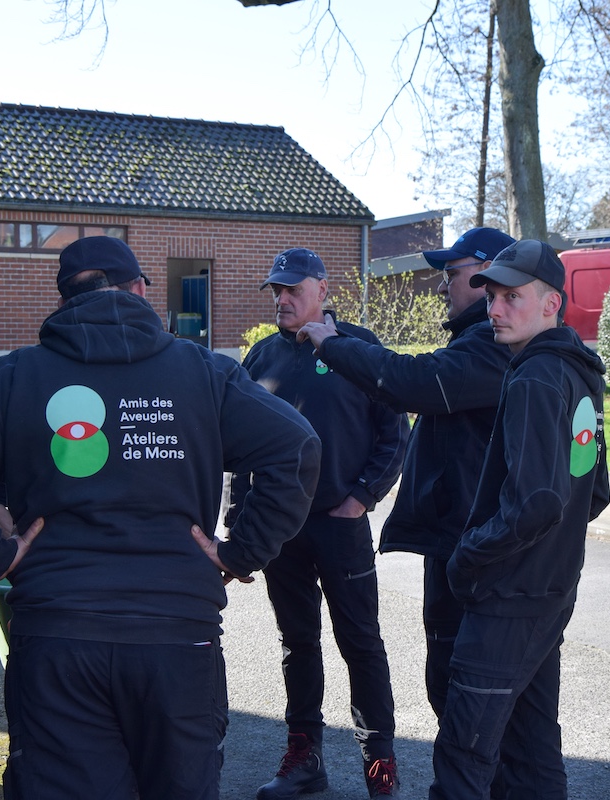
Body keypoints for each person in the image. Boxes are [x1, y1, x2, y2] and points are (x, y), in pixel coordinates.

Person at [0, 236, 321, 800]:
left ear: (65, 300)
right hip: (177, 642)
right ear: (141, 289)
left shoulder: (14, 379)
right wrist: (243, 551)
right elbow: (297, 448)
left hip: (56, 641)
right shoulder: (204, 375)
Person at [295, 226, 515, 718]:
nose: (442, 285)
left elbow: (412, 384)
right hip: (457, 540)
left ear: (487, 274)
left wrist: (333, 346)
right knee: (455, 688)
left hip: (472, 545)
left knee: (465, 696)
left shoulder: (492, 345)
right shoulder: (479, 341)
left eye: (451, 273)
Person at [426, 239, 610, 799]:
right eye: (491, 297)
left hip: (509, 599)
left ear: (552, 302)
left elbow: (537, 503)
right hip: (548, 592)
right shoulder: (578, 371)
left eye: (512, 297)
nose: (495, 310)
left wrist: (468, 555)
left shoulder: (534, 377)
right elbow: (593, 491)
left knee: (463, 756)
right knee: (531, 754)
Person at [228, 247, 409, 799]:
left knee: (361, 642)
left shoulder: (358, 350)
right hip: (281, 531)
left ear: (323, 290)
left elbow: (394, 432)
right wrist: (242, 527)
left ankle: (379, 764)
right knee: (297, 642)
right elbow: (238, 450)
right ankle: (304, 759)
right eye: (276, 291)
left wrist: (361, 498)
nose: (282, 299)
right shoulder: (259, 359)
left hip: (341, 525)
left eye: (293, 290)